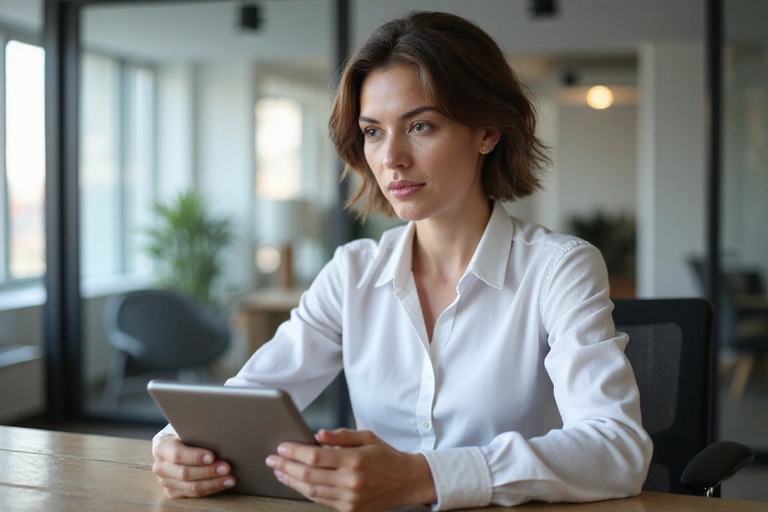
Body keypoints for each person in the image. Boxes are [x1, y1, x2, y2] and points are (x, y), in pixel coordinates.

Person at [151, 10, 652, 511]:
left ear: (488, 132)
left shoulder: (558, 269)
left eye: (421, 125)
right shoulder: (352, 273)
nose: (392, 157)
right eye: (373, 132)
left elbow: (617, 448)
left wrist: (424, 477)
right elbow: (247, 400)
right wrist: (175, 444)